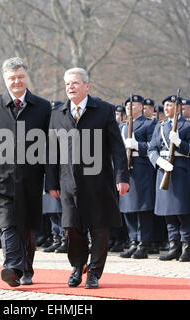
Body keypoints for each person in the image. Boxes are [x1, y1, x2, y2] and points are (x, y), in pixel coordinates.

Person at [46, 67, 129, 289]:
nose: (70, 87)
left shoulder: (103, 110)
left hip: (99, 183)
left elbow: (118, 148)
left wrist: (122, 176)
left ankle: (93, 273)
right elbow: (52, 151)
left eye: (74, 83)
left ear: (86, 85)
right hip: (68, 183)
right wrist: (51, 182)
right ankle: (77, 266)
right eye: (66, 84)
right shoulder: (58, 114)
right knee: (72, 228)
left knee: (99, 229)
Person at [0, 57, 51, 287]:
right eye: (11, 78)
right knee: (7, 222)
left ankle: (26, 269)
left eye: (20, 77)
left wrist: (52, 179)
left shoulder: (43, 107)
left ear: (27, 77)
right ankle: (12, 266)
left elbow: (51, 145)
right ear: (5, 80)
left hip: (32, 178)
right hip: (0, 178)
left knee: (27, 226)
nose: (16, 82)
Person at [148, 94, 190, 262]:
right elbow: (151, 149)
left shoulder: (188, 125)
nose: (167, 108)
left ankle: (186, 248)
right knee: (168, 213)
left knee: (183, 213)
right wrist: (159, 161)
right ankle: (173, 247)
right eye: (166, 105)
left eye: (170, 105)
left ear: (178, 108)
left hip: (180, 171)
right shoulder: (160, 126)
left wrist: (179, 143)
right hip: (164, 170)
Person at [119, 94, 157, 259]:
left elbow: (153, 146)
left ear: (141, 107)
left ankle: (144, 243)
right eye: (127, 106)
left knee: (142, 209)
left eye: (133, 106)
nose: (129, 108)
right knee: (128, 209)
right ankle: (133, 241)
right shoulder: (122, 126)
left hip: (141, 170)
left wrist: (137, 146)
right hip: (125, 171)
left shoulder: (149, 124)